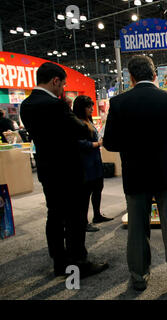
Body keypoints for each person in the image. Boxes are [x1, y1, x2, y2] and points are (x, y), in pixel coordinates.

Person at [103, 55, 167, 292]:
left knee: (137, 228)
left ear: (130, 78)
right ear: (155, 75)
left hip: (136, 175)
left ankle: (139, 277)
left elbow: (110, 143)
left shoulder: (119, 103)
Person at [20, 62, 108, 278]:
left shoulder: (26, 104)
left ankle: (60, 262)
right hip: (69, 170)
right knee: (76, 218)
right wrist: (67, 109)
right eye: (63, 85)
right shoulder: (56, 105)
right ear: (55, 81)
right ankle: (79, 262)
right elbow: (82, 130)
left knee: (55, 215)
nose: (63, 89)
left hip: (47, 169)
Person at [73, 96, 114, 233]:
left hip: (95, 161)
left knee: (98, 188)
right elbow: (78, 143)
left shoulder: (88, 121)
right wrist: (96, 143)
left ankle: (97, 215)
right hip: (85, 163)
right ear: (81, 108)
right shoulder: (77, 123)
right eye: (88, 106)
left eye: (92, 106)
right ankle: (83, 222)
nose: (91, 109)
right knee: (85, 194)